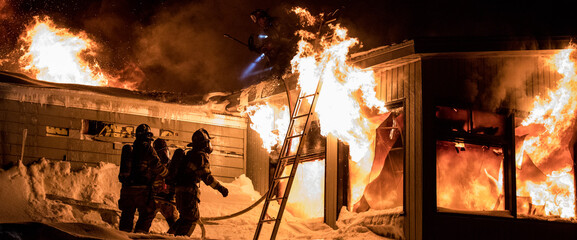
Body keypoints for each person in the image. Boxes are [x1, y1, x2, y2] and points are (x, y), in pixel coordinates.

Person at [167, 128, 229, 236]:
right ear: (205, 143)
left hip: (180, 191)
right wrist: (220, 188)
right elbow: (206, 177)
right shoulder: (200, 156)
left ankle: (169, 236)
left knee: (184, 218)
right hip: (188, 192)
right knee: (191, 218)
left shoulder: (190, 155)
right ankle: (179, 238)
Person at [118, 124, 168, 233]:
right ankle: (140, 236)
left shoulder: (129, 149)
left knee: (127, 215)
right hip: (142, 191)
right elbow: (157, 166)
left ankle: (122, 236)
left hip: (127, 190)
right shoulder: (148, 149)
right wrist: (167, 174)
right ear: (148, 137)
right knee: (147, 213)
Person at [152, 138, 178, 227]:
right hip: (158, 198)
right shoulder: (154, 166)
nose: (163, 155)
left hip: (164, 199)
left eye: (164, 152)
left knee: (173, 224)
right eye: (160, 153)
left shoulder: (171, 166)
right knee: (145, 220)